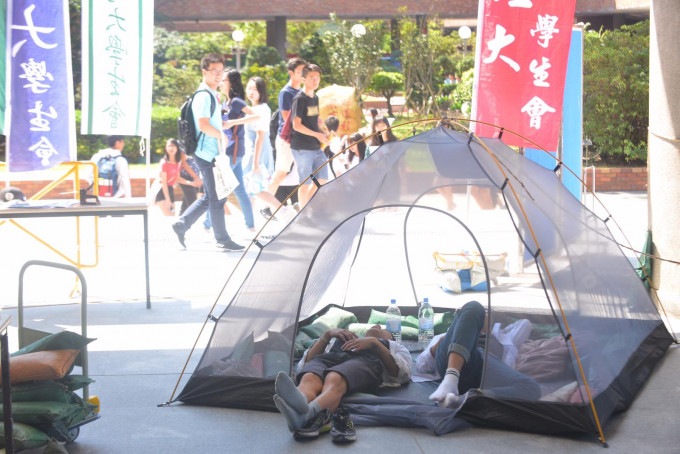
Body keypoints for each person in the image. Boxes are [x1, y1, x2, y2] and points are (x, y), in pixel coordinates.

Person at [273, 325, 411, 442]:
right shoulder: (341, 338)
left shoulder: (394, 347)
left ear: (390, 338)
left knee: (335, 377)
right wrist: (327, 335)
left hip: (364, 361)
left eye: (383, 329)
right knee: (309, 376)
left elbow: (401, 374)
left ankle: (306, 414)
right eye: (374, 325)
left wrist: (375, 343)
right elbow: (306, 363)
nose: (377, 326)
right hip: (329, 357)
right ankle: (301, 403)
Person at [171, 53, 244, 252]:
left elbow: (210, 121)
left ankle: (182, 224)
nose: (219, 75)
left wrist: (222, 127)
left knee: (212, 196)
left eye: (221, 71)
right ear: (204, 72)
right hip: (206, 154)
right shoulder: (203, 95)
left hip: (212, 153)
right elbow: (203, 125)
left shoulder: (212, 94)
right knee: (218, 197)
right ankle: (222, 238)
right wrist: (221, 134)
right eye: (214, 71)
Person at [416, 301, 541, 407]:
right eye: (483, 315)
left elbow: (525, 324)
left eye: (487, 315)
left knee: (531, 388)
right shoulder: (448, 335)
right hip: (450, 361)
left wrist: (497, 324)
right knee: (474, 306)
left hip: (484, 368)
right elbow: (422, 366)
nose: (483, 317)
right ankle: (450, 379)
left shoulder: (503, 338)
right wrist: (439, 344)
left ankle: (467, 398)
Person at [243, 76, 297, 222]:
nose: (251, 92)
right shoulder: (251, 109)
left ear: (261, 91)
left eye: (255, 89)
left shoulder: (262, 109)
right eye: (249, 88)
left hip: (257, 155)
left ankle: (279, 210)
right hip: (250, 155)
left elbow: (261, 137)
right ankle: (253, 221)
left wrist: (255, 163)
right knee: (251, 190)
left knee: (253, 189)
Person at [264, 57, 307, 216]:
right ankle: (265, 205)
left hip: (299, 139)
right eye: (300, 71)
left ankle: (305, 209)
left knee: (305, 173)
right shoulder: (286, 92)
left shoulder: (301, 91)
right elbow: (287, 116)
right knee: (281, 173)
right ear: (291, 73)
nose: (303, 74)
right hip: (287, 139)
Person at [220, 69, 260, 233]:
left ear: (231, 82)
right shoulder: (226, 103)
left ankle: (208, 223)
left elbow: (255, 116)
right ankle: (250, 224)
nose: (221, 82)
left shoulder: (236, 102)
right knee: (239, 189)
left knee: (221, 186)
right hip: (228, 149)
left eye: (224, 79)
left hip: (234, 150)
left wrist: (233, 123)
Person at [289, 63, 329, 208]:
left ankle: (305, 206)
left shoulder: (315, 98)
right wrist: (317, 135)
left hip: (315, 145)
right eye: (312, 77)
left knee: (323, 179)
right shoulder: (299, 99)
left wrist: (322, 133)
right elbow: (297, 125)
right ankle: (303, 214)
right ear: (303, 79)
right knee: (305, 182)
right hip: (301, 146)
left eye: (317, 77)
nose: (315, 80)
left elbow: (310, 123)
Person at [154, 139, 200, 216]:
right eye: (169, 146)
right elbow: (164, 183)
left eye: (173, 146)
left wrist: (191, 183)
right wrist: (168, 200)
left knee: (173, 215)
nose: (171, 148)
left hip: (170, 190)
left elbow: (178, 178)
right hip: (162, 191)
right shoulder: (164, 163)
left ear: (177, 148)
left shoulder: (177, 163)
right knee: (169, 217)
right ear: (166, 148)